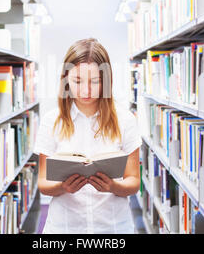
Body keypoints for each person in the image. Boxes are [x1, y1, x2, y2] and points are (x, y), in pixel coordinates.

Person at [34, 38, 142, 234]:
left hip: (113, 228)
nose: (86, 90)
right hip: (65, 228)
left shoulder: (125, 120)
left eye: (95, 81)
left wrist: (113, 186)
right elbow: (43, 184)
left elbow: (134, 181)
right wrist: (63, 186)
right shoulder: (51, 121)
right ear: (66, 79)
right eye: (77, 81)